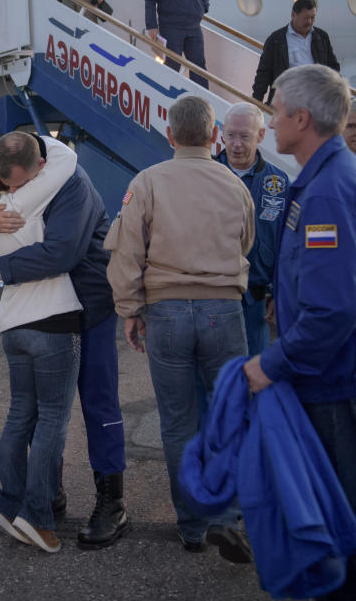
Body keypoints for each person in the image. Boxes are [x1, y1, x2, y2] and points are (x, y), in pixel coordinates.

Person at [0, 134, 131, 550]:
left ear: (39, 167)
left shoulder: (71, 183)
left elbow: (61, 253)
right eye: (5, 185)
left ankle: (111, 500)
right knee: (38, 409)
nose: (11, 193)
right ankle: (46, 493)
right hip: (42, 310)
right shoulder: (4, 163)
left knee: (96, 401)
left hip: (87, 303)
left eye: (17, 184)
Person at [104, 95, 255, 559]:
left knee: (177, 424)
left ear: (169, 135)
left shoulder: (147, 182)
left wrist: (130, 309)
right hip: (223, 312)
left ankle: (191, 527)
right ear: (215, 137)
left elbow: (126, 253)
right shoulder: (235, 185)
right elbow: (246, 241)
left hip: (166, 313)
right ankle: (227, 518)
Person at [243, 64, 356, 600]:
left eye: (274, 111)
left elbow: (335, 309)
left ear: (302, 118)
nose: (269, 122)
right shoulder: (326, 177)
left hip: (335, 386)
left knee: (348, 518)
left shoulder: (326, 193)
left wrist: (269, 364)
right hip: (329, 377)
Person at [0, 135, 80, 553]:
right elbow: (64, 155)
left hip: (13, 326)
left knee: (20, 414)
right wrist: (20, 145)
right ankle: (37, 515)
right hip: (54, 322)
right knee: (51, 423)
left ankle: (8, 499)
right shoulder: (27, 199)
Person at [214, 102, 288, 356]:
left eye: (244, 136)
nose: (236, 144)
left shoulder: (277, 183)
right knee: (214, 383)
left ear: (261, 135)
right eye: (231, 135)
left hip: (256, 302)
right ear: (222, 133)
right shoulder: (206, 175)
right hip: (211, 299)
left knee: (255, 380)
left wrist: (279, 293)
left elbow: (285, 244)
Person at [251, 0, 340, 103]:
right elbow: (264, 73)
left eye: (313, 17)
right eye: (306, 18)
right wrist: (257, 101)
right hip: (287, 99)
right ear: (293, 15)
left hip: (316, 98)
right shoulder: (276, 40)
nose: (309, 21)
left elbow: (333, 67)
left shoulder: (321, 37)